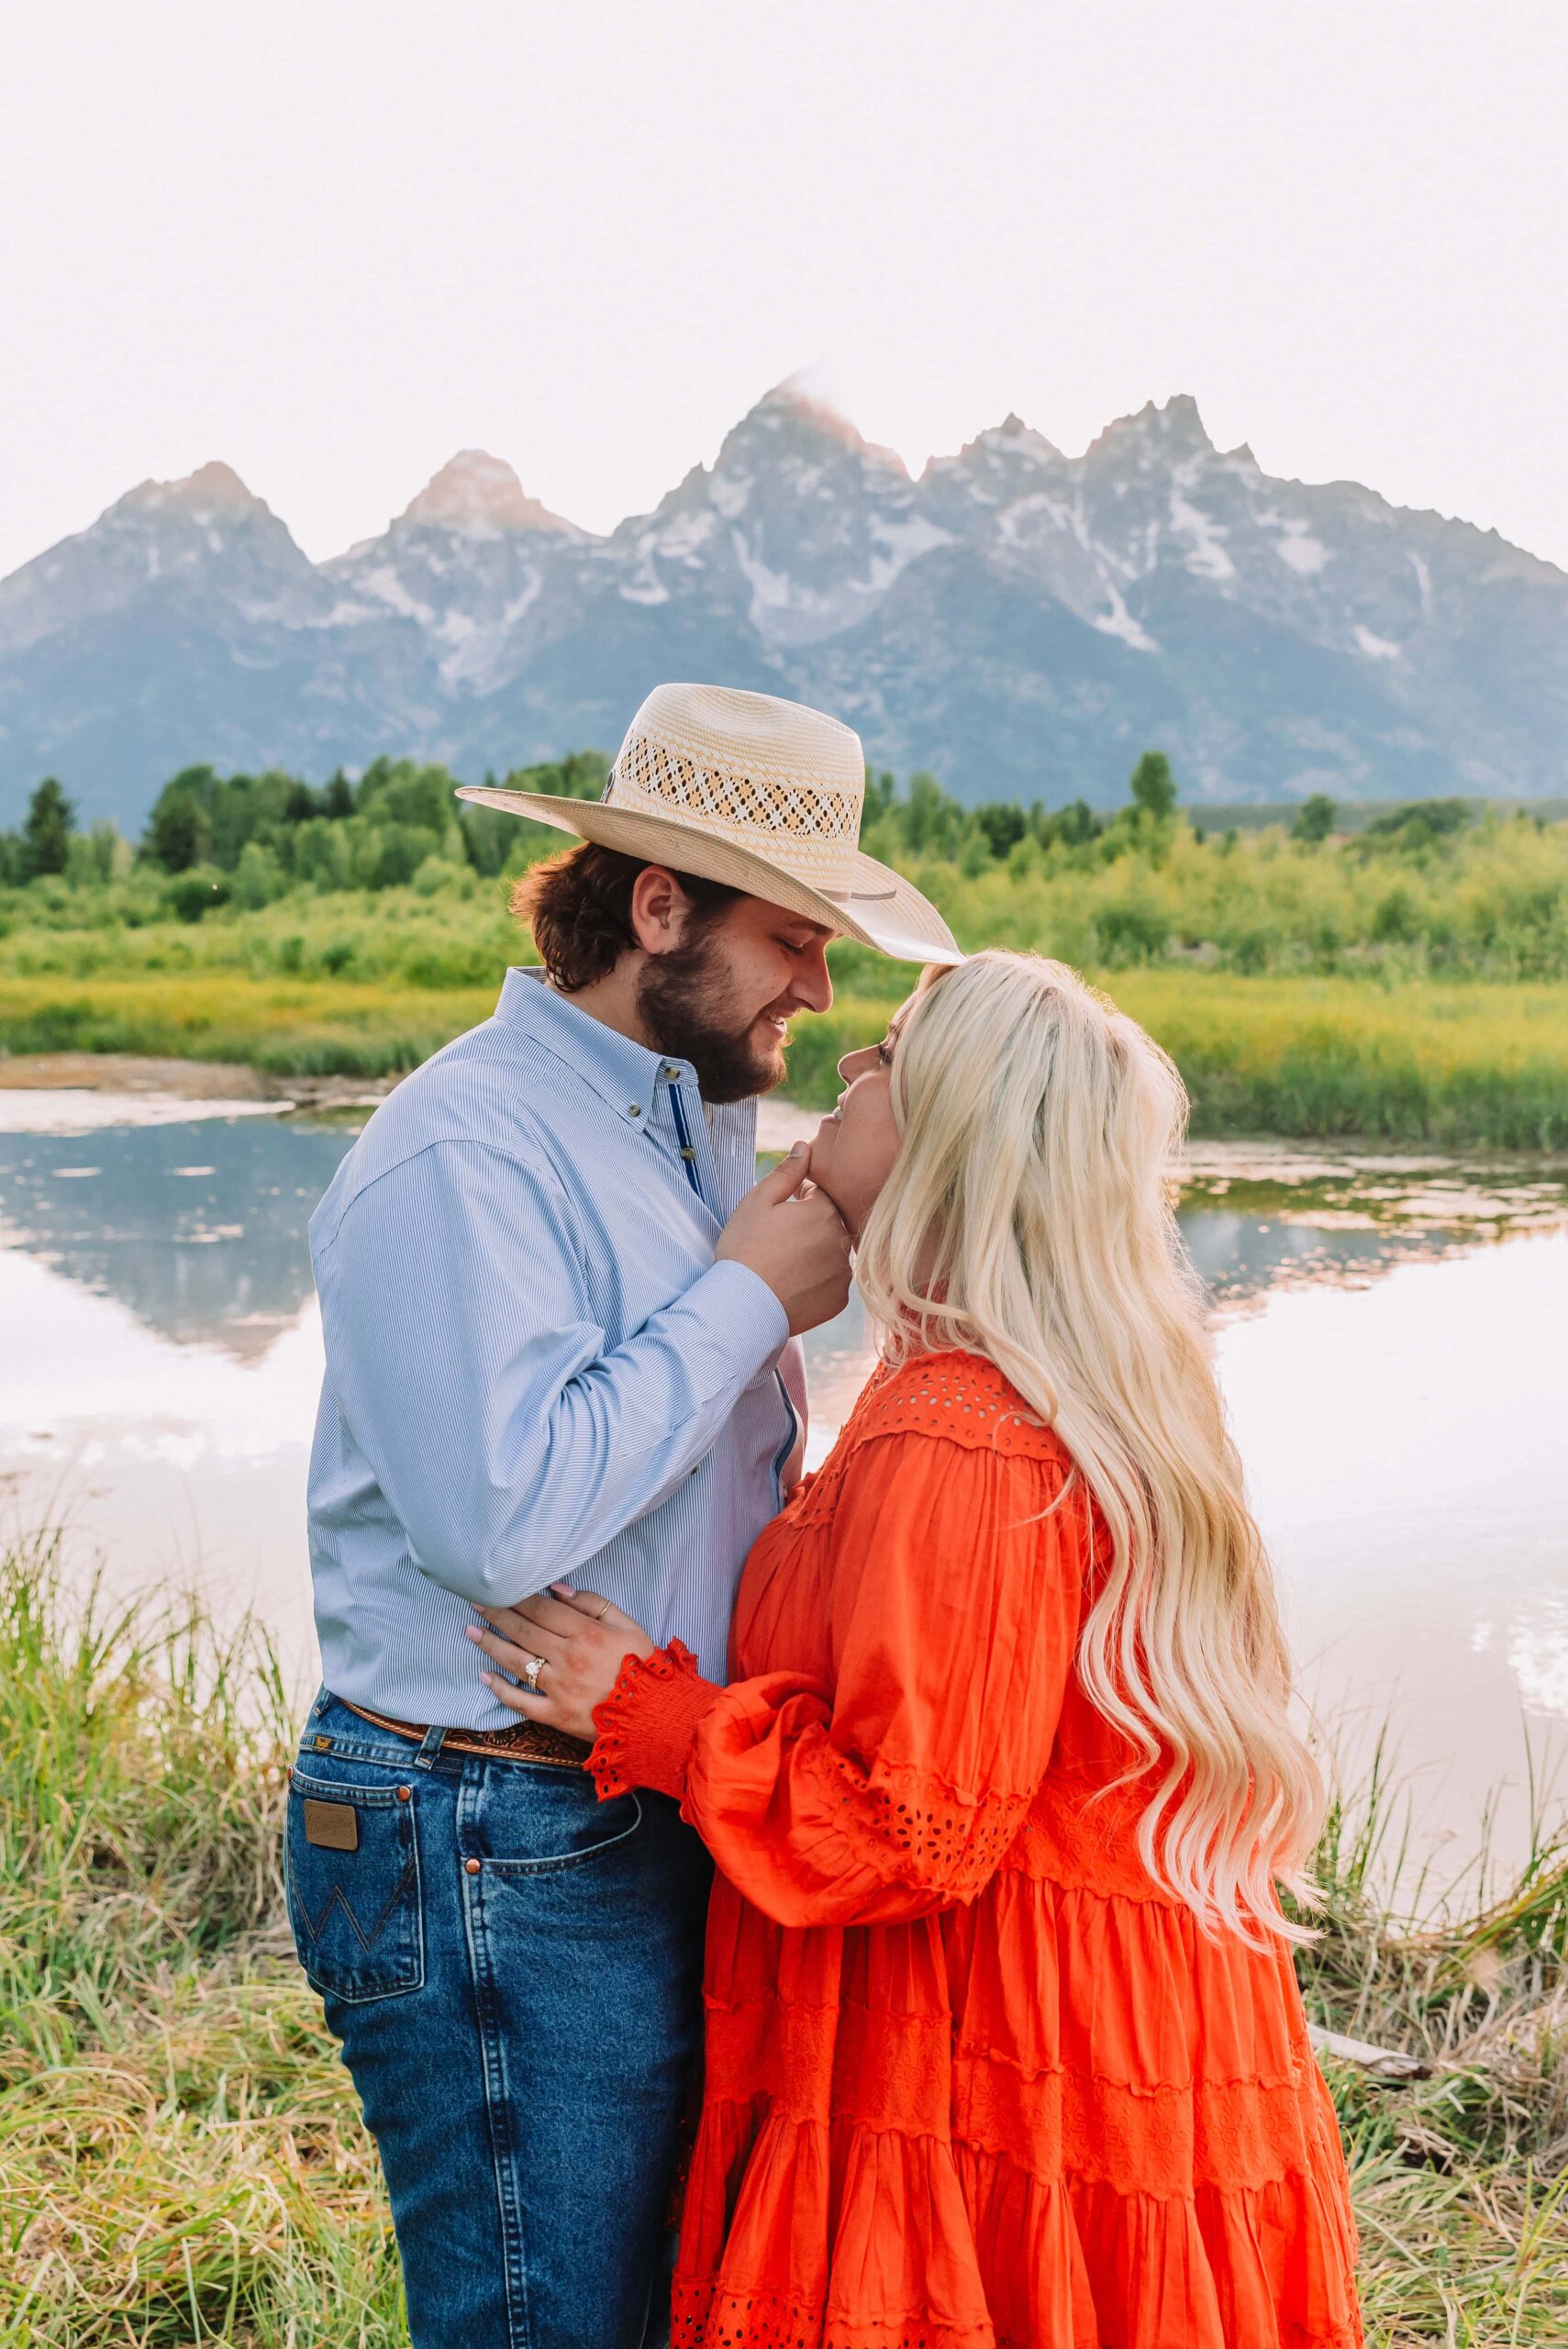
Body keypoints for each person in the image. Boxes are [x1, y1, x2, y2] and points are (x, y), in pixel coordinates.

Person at [473, 950, 1364, 2349]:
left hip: (983, 2045)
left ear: (951, 1139)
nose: (844, 1067)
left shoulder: (957, 1430)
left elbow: (908, 1829)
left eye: (887, 1056)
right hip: (1102, 2027)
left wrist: (643, 1715)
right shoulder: (1039, 1392)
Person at [283, 684, 962, 2349]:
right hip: (487, 1827)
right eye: (793, 938)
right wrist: (747, 1296)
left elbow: (708, 1491)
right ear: (654, 908)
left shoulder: (686, 1129)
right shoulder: (467, 1149)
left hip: (624, 1794)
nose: (818, 985)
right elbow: (498, 1524)